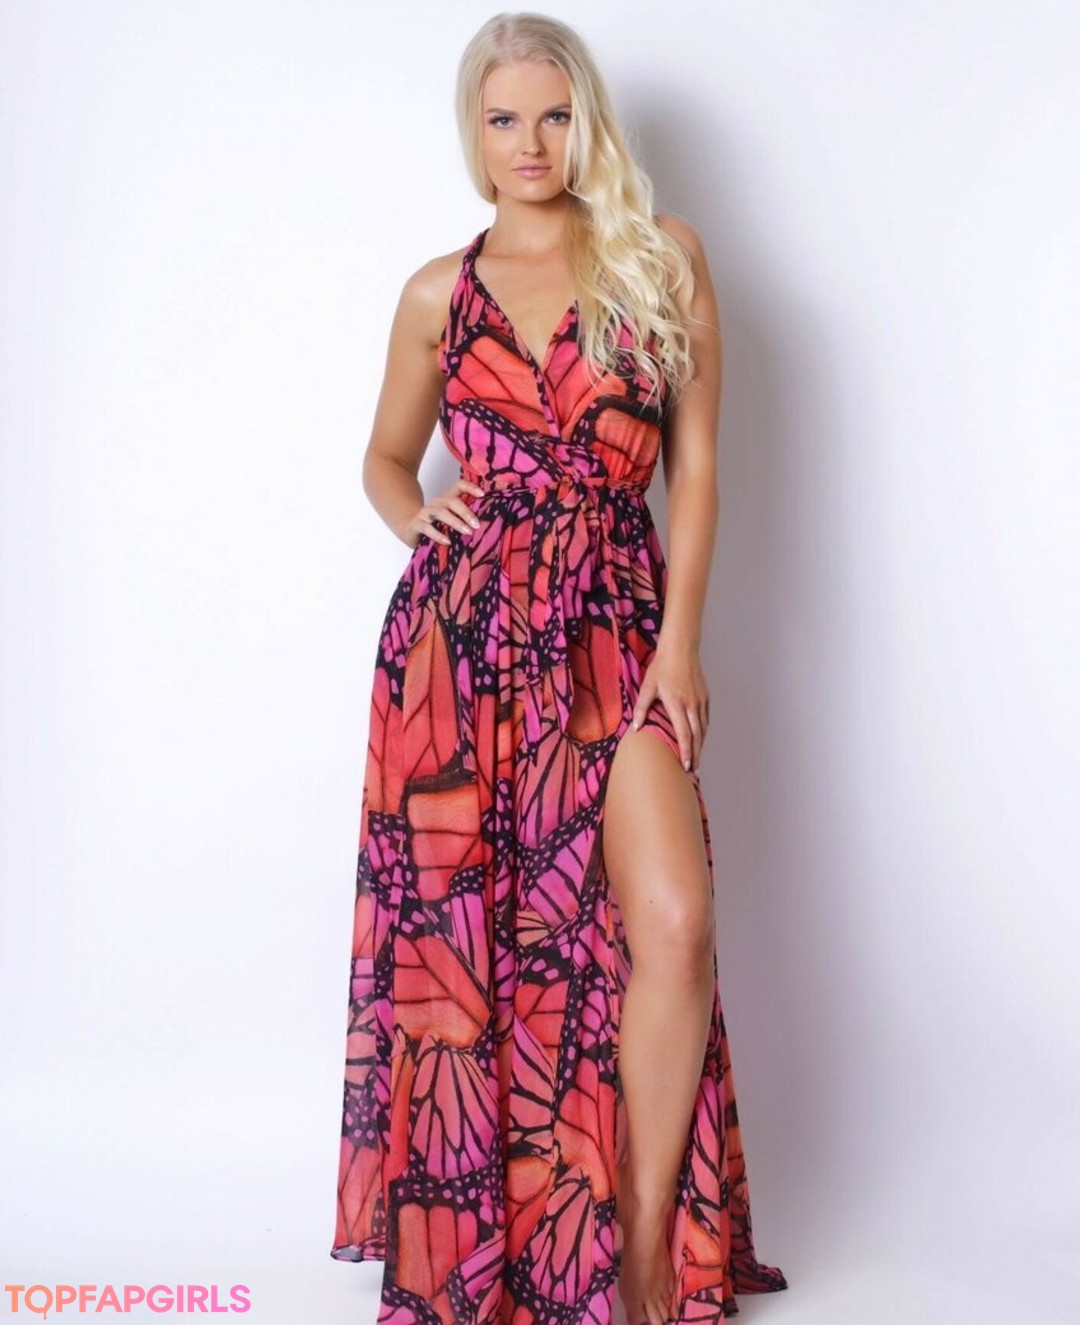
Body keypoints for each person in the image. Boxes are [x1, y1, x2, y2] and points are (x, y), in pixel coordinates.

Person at [330, 13, 788, 1325]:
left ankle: (638, 1249)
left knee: (672, 923)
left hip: (618, 631)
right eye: (503, 119)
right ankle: (508, 1258)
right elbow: (383, 458)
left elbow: (697, 470)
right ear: (473, 136)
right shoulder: (440, 292)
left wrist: (680, 644)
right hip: (463, 656)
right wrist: (419, 516)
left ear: (587, 122)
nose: (530, 143)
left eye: (553, 114)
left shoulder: (660, 257)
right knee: (483, 960)